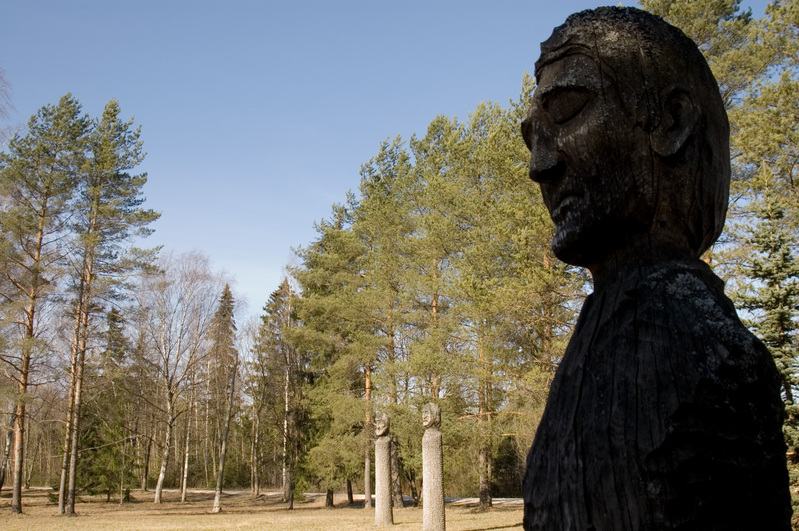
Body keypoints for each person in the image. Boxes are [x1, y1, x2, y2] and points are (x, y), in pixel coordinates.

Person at [520, 7, 791, 529]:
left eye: (570, 108)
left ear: (670, 122)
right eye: (532, 137)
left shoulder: (688, 337)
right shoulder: (606, 327)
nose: (540, 166)